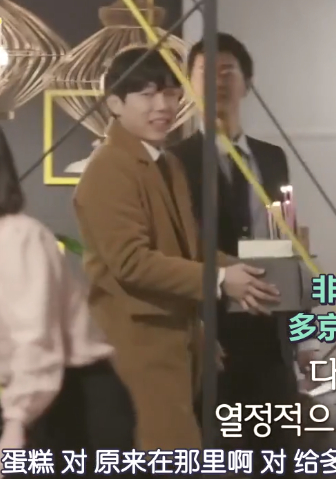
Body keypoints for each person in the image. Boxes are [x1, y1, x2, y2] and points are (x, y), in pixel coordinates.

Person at [72, 47, 280, 453]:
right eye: (148, 94)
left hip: (179, 338)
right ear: (115, 103)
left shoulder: (166, 163)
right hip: (138, 342)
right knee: (168, 454)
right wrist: (222, 279)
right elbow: (132, 262)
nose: (163, 106)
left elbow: (191, 247)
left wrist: (252, 273)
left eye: (170, 93)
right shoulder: (109, 166)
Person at [0, 119, 135, 479]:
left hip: (82, 400)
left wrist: (15, 425)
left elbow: (35, 339)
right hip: (36, 406)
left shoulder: (23, 238)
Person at [170, 33, 299, 477]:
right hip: (212, 337)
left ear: (248, 83)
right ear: (189, 84)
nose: (218, 81)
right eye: (206, 72)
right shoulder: (174, 161)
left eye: (229, 71)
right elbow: (175, 249)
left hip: (270, 337)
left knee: (279, 459)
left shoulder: (272, 158)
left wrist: (300, 334)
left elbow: (286, 241)